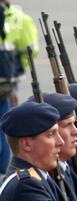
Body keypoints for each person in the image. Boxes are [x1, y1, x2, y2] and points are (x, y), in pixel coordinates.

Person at [0, 0, 39, 176]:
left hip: (5, 86)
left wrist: (15, 75)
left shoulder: (18, 19)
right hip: (7, 84)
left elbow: (30, 50)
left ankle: (3, 176)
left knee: (6, 133)